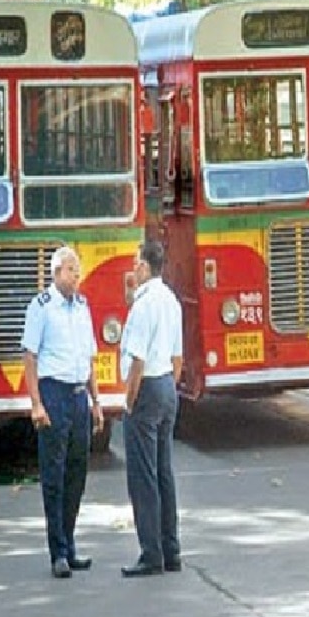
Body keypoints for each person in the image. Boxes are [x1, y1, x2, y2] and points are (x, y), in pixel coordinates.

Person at [21, 246, 104, 580]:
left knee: (77, 473)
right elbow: (30, 356)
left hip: (78, 394)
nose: (77, 276)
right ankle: (57, 552)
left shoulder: (82, 307)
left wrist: (97, 402)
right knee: (53, 476)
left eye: (78, 270)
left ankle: (69, 544)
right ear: (56, 273)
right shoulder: (41, 307)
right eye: (71, 270)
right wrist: (36, 403)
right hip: (53, 393)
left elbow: (89, 358)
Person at [119, 239, 184, 578]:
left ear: (145, 267)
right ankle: (171, 550)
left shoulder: (143, 305)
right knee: (164, 472)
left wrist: (128, 401)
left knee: (143, 476)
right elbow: (178, 358)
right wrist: (168, 387)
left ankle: (151, 553)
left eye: (135, 264)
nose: (132, 270)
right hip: (167, 387)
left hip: (146, 389)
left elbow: (137, 361)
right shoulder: (171, 301)